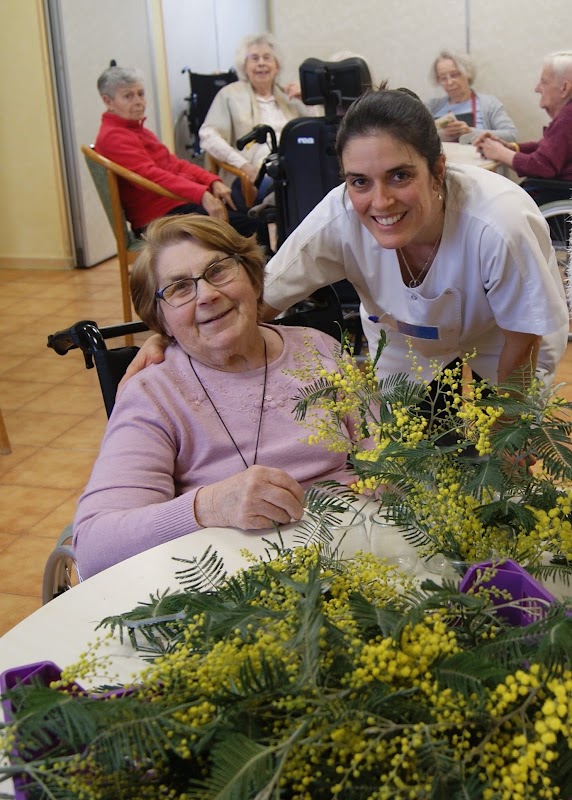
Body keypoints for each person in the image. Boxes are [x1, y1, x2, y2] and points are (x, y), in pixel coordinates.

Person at [125, 87, 568, 392]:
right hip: (406, 342)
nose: (381, 201)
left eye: (400, 175)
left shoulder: (499, 222)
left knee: (503, 458)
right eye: (359, 181)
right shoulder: (337, 219)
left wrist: (507, 430)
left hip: (505, 338)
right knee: (414, 460)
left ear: (437, 170)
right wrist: (175, 338)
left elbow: (522, 335)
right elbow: (260, 300)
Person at [72, 215, 356, 579]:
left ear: (252, 277)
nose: (207, 295)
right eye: (179, 288)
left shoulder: (320, 349)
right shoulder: (155, 395)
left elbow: (387, 453)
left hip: (352, 555)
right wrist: (208, 506)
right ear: (160, 319)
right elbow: (94, 547)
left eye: (218, 270)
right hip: (232, 583)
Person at [94, 65, 256, 238]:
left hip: (176, 204)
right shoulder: (113, 136)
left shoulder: (136, 129)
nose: (138, 101)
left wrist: (212, 181)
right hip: (158, 219)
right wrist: (201, 194)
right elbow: (152, 176)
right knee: (251, 225)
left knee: (250, 213)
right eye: (128, 96)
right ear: (108, 101)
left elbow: (175, 164)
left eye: (141, 94)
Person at [199, 33, 314, 209]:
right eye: (254, 58)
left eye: (267, 58)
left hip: (294, 167)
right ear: (244, 66)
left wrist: (307, 100)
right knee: (291, 189)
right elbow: (207, 135)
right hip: (255, 174)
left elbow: (313, 131)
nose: (261, 63)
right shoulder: (229, 94)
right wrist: (244, 165)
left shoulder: (288, 95)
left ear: (277, 65)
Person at [474, 51, 572, 205]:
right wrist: (510, 147)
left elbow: (542, 165)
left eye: (544, 82)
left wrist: (499, 152)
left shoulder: (568, 118)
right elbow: (548, 148)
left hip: (555, 194)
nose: (537, 88)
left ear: (564, 88)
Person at [426, 50, 518, 143]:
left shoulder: (489, 104)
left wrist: (471, 132)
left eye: (454, 75)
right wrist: (439, 135)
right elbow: (418, 138)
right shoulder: (431, 107)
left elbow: (511, 135)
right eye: (443, 78)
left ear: (467, 74)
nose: (449, 82)